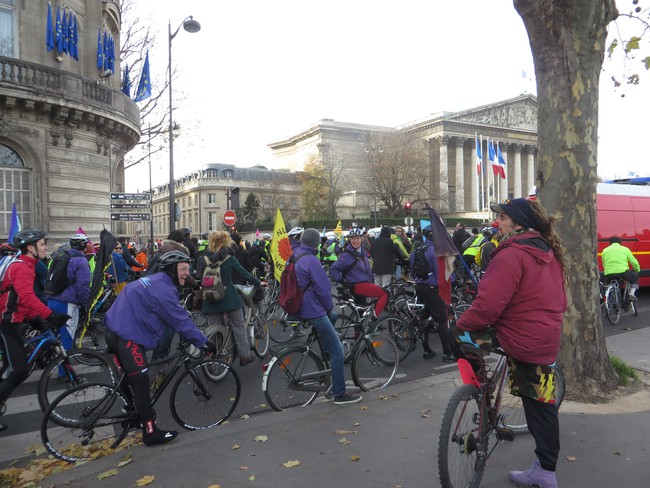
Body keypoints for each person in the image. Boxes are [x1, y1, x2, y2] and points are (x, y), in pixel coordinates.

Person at [451, 198, 567, 488]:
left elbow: (487, 308)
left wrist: (461, 324)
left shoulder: (511, 255)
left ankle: (479, 389)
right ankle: (546, 471)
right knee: (542, 406)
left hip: (519, 338)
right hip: (544, 337)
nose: (497, 223)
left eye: (502, 218)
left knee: (457, 334)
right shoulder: (548, 251)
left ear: (518, 224)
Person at [105, 251, 216, 446]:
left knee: (130, 379)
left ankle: (132, 416)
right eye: (182, 269)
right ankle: (150, 432)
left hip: (115, 330)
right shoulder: (164, 290)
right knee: (141, 383)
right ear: (172, 270)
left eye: (187, 269)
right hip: (127, 336)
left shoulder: (155, 279)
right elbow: (179, 320)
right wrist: (203, 342)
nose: (186, 273)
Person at [0, 229, 70, 432]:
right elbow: (28, 297)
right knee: (19, 370)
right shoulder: (21, 267)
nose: (45, 247)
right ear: (30, 248)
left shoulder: (26, 265)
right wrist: (49, 315)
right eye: (42, 244)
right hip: (6, 323)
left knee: (10, 368)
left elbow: (21, 299)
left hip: (13, 321)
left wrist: (34, 319)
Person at [294, 228, 361, 405]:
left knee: (330, 328)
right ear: (316, 243)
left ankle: (326, 352)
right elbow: (324, 290)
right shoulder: (312, 261)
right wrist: (329, 307)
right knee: (338, 350)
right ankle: (339, 393)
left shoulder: (296, 255)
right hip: (313, 309)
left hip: (300, 306)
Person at [196, 231, 267, 366]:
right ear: (225, 242)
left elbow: (199, 277)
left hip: (209, 298)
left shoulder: (203, 258)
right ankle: (244, 355)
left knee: (214, 327)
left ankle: (216, 355)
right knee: (238, 324)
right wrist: (258, 283)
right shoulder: (229, 257)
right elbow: (244, 274)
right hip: (228, 297)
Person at [409, 225, 454, 361]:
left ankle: (427, 350)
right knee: (442, 319)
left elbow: (412, 271)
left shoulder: (417, 250)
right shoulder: (437, 252)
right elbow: (441, 274)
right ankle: (447, 353)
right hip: (433, 289)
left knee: (423, 318)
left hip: (420, 287)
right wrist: (453, 279)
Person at [47, 233, 92, 358]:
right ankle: (64, 373)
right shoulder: (81, 261)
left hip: (51, 299)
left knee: (54, 336)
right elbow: (83, 286)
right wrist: (86, 304)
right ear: (84, 246)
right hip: (67, 303)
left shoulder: (60, 256)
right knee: (67, 339)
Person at [330, 227, 389, 321]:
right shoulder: (347, 255)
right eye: (353, 238)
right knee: (385, 294)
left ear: (362, 239)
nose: (355, 241)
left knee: (361, 314)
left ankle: (358, 333)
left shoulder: (362, 251)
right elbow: (333, 269)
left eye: (357, 238)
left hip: (366, 284)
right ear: (349, 240)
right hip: (358, 285)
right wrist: (343, 280)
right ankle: (374, 320)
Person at [602, 236, 640, 301]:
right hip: (623, 272)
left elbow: (604, 263)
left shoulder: (605, 250)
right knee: (635, 278)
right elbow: (634, 262)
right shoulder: (625, 249)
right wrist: (637, 270)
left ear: (610, 243)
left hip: (608, 273)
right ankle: (631, 294)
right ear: (620, 242)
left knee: (606, 284)